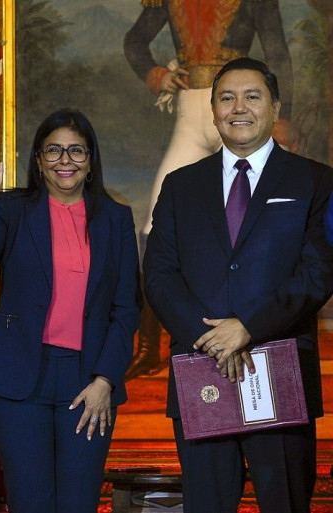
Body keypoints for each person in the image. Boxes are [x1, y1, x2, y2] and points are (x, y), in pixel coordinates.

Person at [144, 57, 333, 512]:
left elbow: (319, 270)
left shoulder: (316, 180)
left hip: (280, 367)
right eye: (226, 98)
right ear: (212, 111)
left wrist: (247, 327)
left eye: (252, 96)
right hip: (200, 368)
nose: (239, 107)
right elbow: (159, 273)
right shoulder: (180, 185)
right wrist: (213, 338)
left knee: (285, 501)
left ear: (275, 106)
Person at [0, 109, 141, 513]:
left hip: (89, 382)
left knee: (79, 501)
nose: (65, 160)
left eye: (76, 150)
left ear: (91, 160)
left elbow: (126, 309)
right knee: (30, 502)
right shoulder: (12, 208)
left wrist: (106, 379)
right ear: (38, 160)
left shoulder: (115, 218)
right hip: (18, 380)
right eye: (53, 150)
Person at [123, 0, 295, 379]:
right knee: (154, 230)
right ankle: (151, 347)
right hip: (191, 109)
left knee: (248, 225)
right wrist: (155, 73)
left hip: (240, 111)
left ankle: (252, 332)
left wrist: (281, 121)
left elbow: (276, 50)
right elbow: (135, 41)